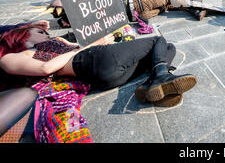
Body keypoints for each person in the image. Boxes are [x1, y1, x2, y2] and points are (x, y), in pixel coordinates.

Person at [0, 25, 197, 107]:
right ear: (21, 36)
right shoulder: (12, 57)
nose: (46, 34)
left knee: (168, 48)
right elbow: (45, 69)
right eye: (40, 31)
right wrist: (94, 45)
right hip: (89, 61)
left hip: (106, 74)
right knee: (157, 41)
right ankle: (160, 76)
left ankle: (151, 84)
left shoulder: (53, 42)